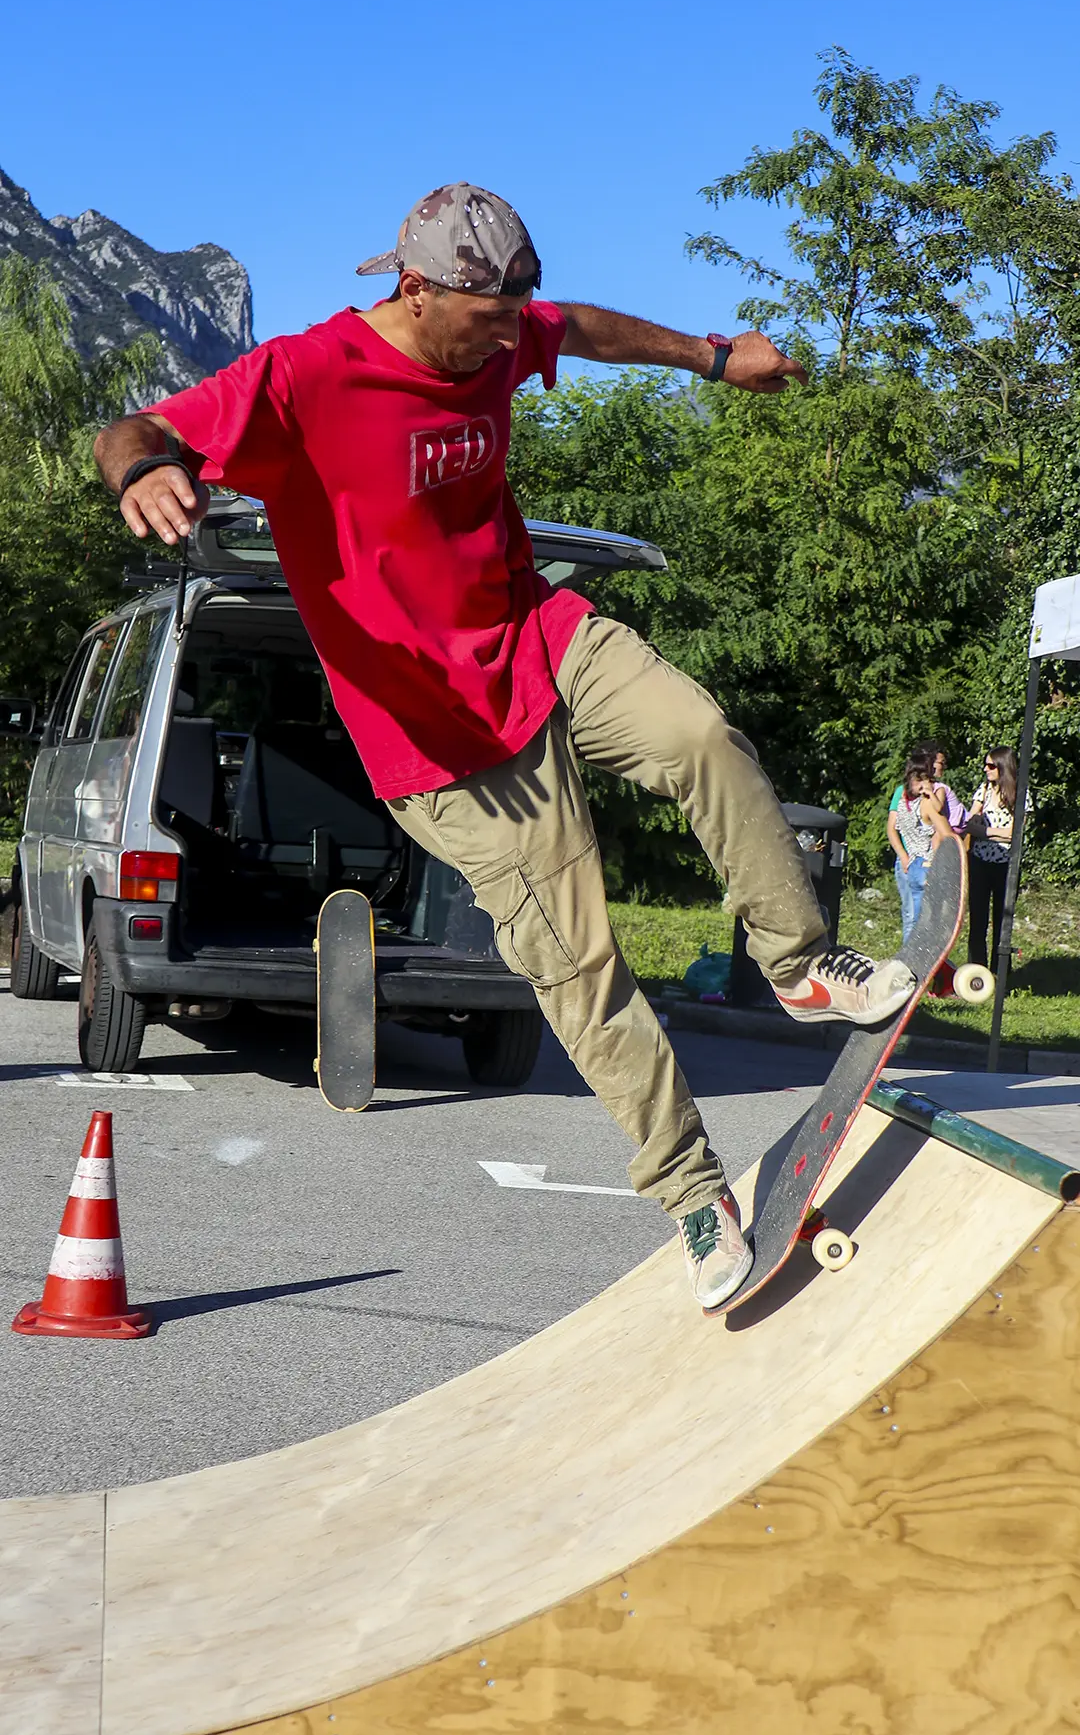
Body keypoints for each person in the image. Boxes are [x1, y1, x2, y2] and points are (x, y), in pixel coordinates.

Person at [94, 182, 916, 1311]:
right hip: (434, 740)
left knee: (699, 732)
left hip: (536, 633)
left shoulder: (504, 326)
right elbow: (134, 429)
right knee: (577, 963)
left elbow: (585, 328)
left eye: (512, 318)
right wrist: (145, 471)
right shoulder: (302, 375)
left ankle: (799, 965)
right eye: (485, 320)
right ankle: (692, 1193)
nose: (505, 342)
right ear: (415, 290)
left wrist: (716, 357)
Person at [967, 747, 1027, 970]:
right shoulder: (983, 790)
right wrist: (996, 832)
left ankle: (1000, 971)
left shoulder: (1020, 794)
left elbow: (1015, 833)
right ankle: (976, 971)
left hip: (1006, 865)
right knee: (977, 920)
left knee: (1003, 921)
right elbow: (969, 823)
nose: (986, 769)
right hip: (979, 861)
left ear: (1003, 766)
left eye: (991, 765)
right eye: (986, 765)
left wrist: (985, 832)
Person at [887, 756, 952, 944]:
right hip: (925, 863)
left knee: (913, 919)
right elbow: (947, 834)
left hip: (913, 863)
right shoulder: (924, 802)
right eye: (923, 779)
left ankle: (909, 957)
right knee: (929, 922)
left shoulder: (904, 800)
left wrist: (904, 857)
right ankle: (921, 958)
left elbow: (893, 827)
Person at [888, 741, 966, 837]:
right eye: (941, 763)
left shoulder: (938, 789)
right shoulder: (901, 792)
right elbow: (892, 829)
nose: (943, 767)